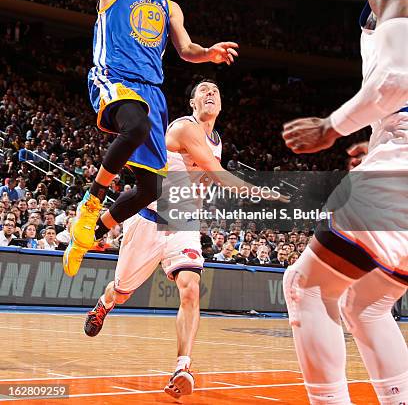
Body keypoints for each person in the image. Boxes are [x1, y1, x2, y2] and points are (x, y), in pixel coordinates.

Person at [63, 0, 239, 277]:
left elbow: (186, 49)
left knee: (150, 189)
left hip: (152, 90)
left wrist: (207, 53)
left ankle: (88, 235)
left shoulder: (168, 6)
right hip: (114, 77)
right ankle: (90, 204)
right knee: (137, 125)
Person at [83, 79, 287, 399]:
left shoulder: (216, 139)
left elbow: (202, 183)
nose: (210, 94)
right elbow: (216, 172)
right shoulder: (184, 128)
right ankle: (105, 304)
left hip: (183, 223)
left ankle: (183, 366)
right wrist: (263, 192)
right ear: (192, 103)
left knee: (191, 290)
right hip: (149, 220)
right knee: (121, 292)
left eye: (215, 92)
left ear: (220, 106)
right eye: (203, 91)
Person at [282, 0, 408, 405]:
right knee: (367, 304)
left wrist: (331, 127)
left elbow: (396, 80)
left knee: (306, 288)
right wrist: (375, 138)